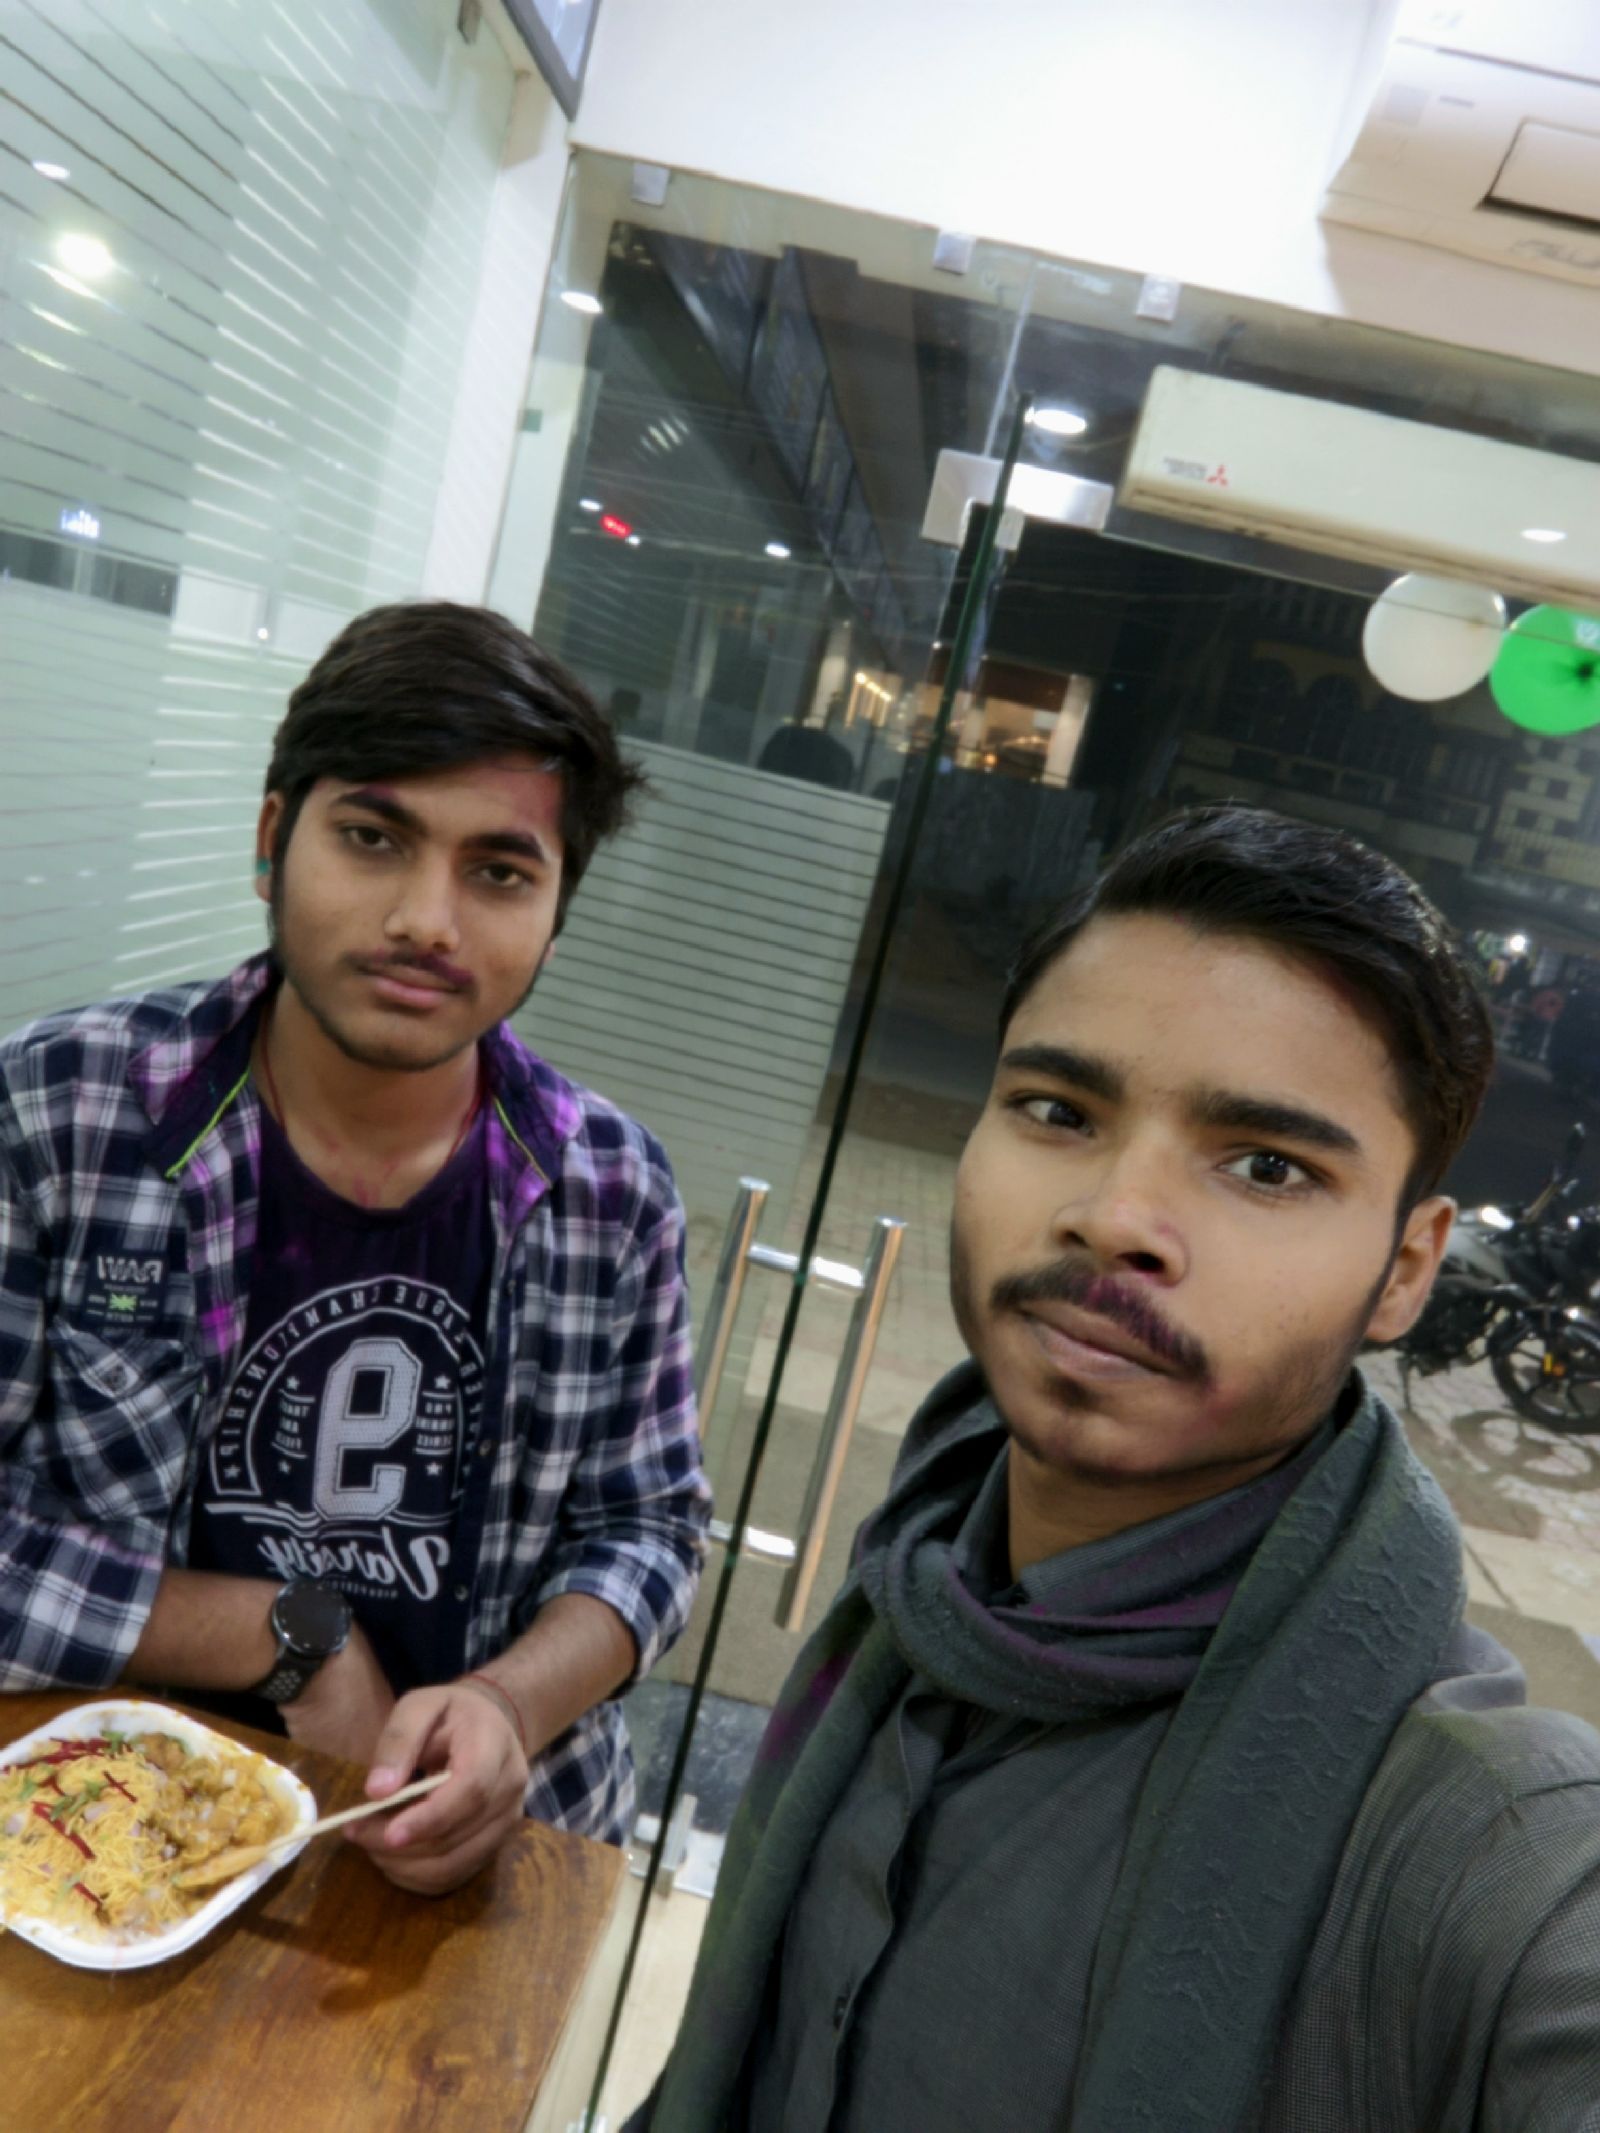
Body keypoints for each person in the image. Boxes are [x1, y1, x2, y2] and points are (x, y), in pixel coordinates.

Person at [636, 806, 1600, 2131]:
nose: (1114, 1218)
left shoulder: (1490, 1846)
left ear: (1407, 1269)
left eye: (1266, 1165)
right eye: (1057, 1110)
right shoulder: (918, 1589)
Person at [0, 602, 710, 1893]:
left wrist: (505, 1704)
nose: (427, 920)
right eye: (373, 838)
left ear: (557, 910)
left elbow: (649, 1525)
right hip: (94, 1833)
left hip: (465, 1859)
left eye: (500, 871)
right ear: (273, 838)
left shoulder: (612, 1190)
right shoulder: (59, 1113)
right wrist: (286, 1639)